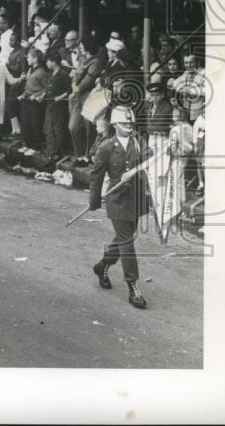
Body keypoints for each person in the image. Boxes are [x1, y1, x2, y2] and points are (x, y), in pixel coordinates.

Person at [88, 105, 150, 310]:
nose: (128, 126)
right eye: (124, 123)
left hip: (136, 197)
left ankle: (103, 265)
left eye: (130, 123)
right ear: (115, 124)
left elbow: (149, 159)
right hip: (117, 198)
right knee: (127, 242)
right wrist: (94, 200)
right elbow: (96, 175)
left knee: (125, 238)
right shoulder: (106, 146)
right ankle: (133, 287)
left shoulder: (138, 142)